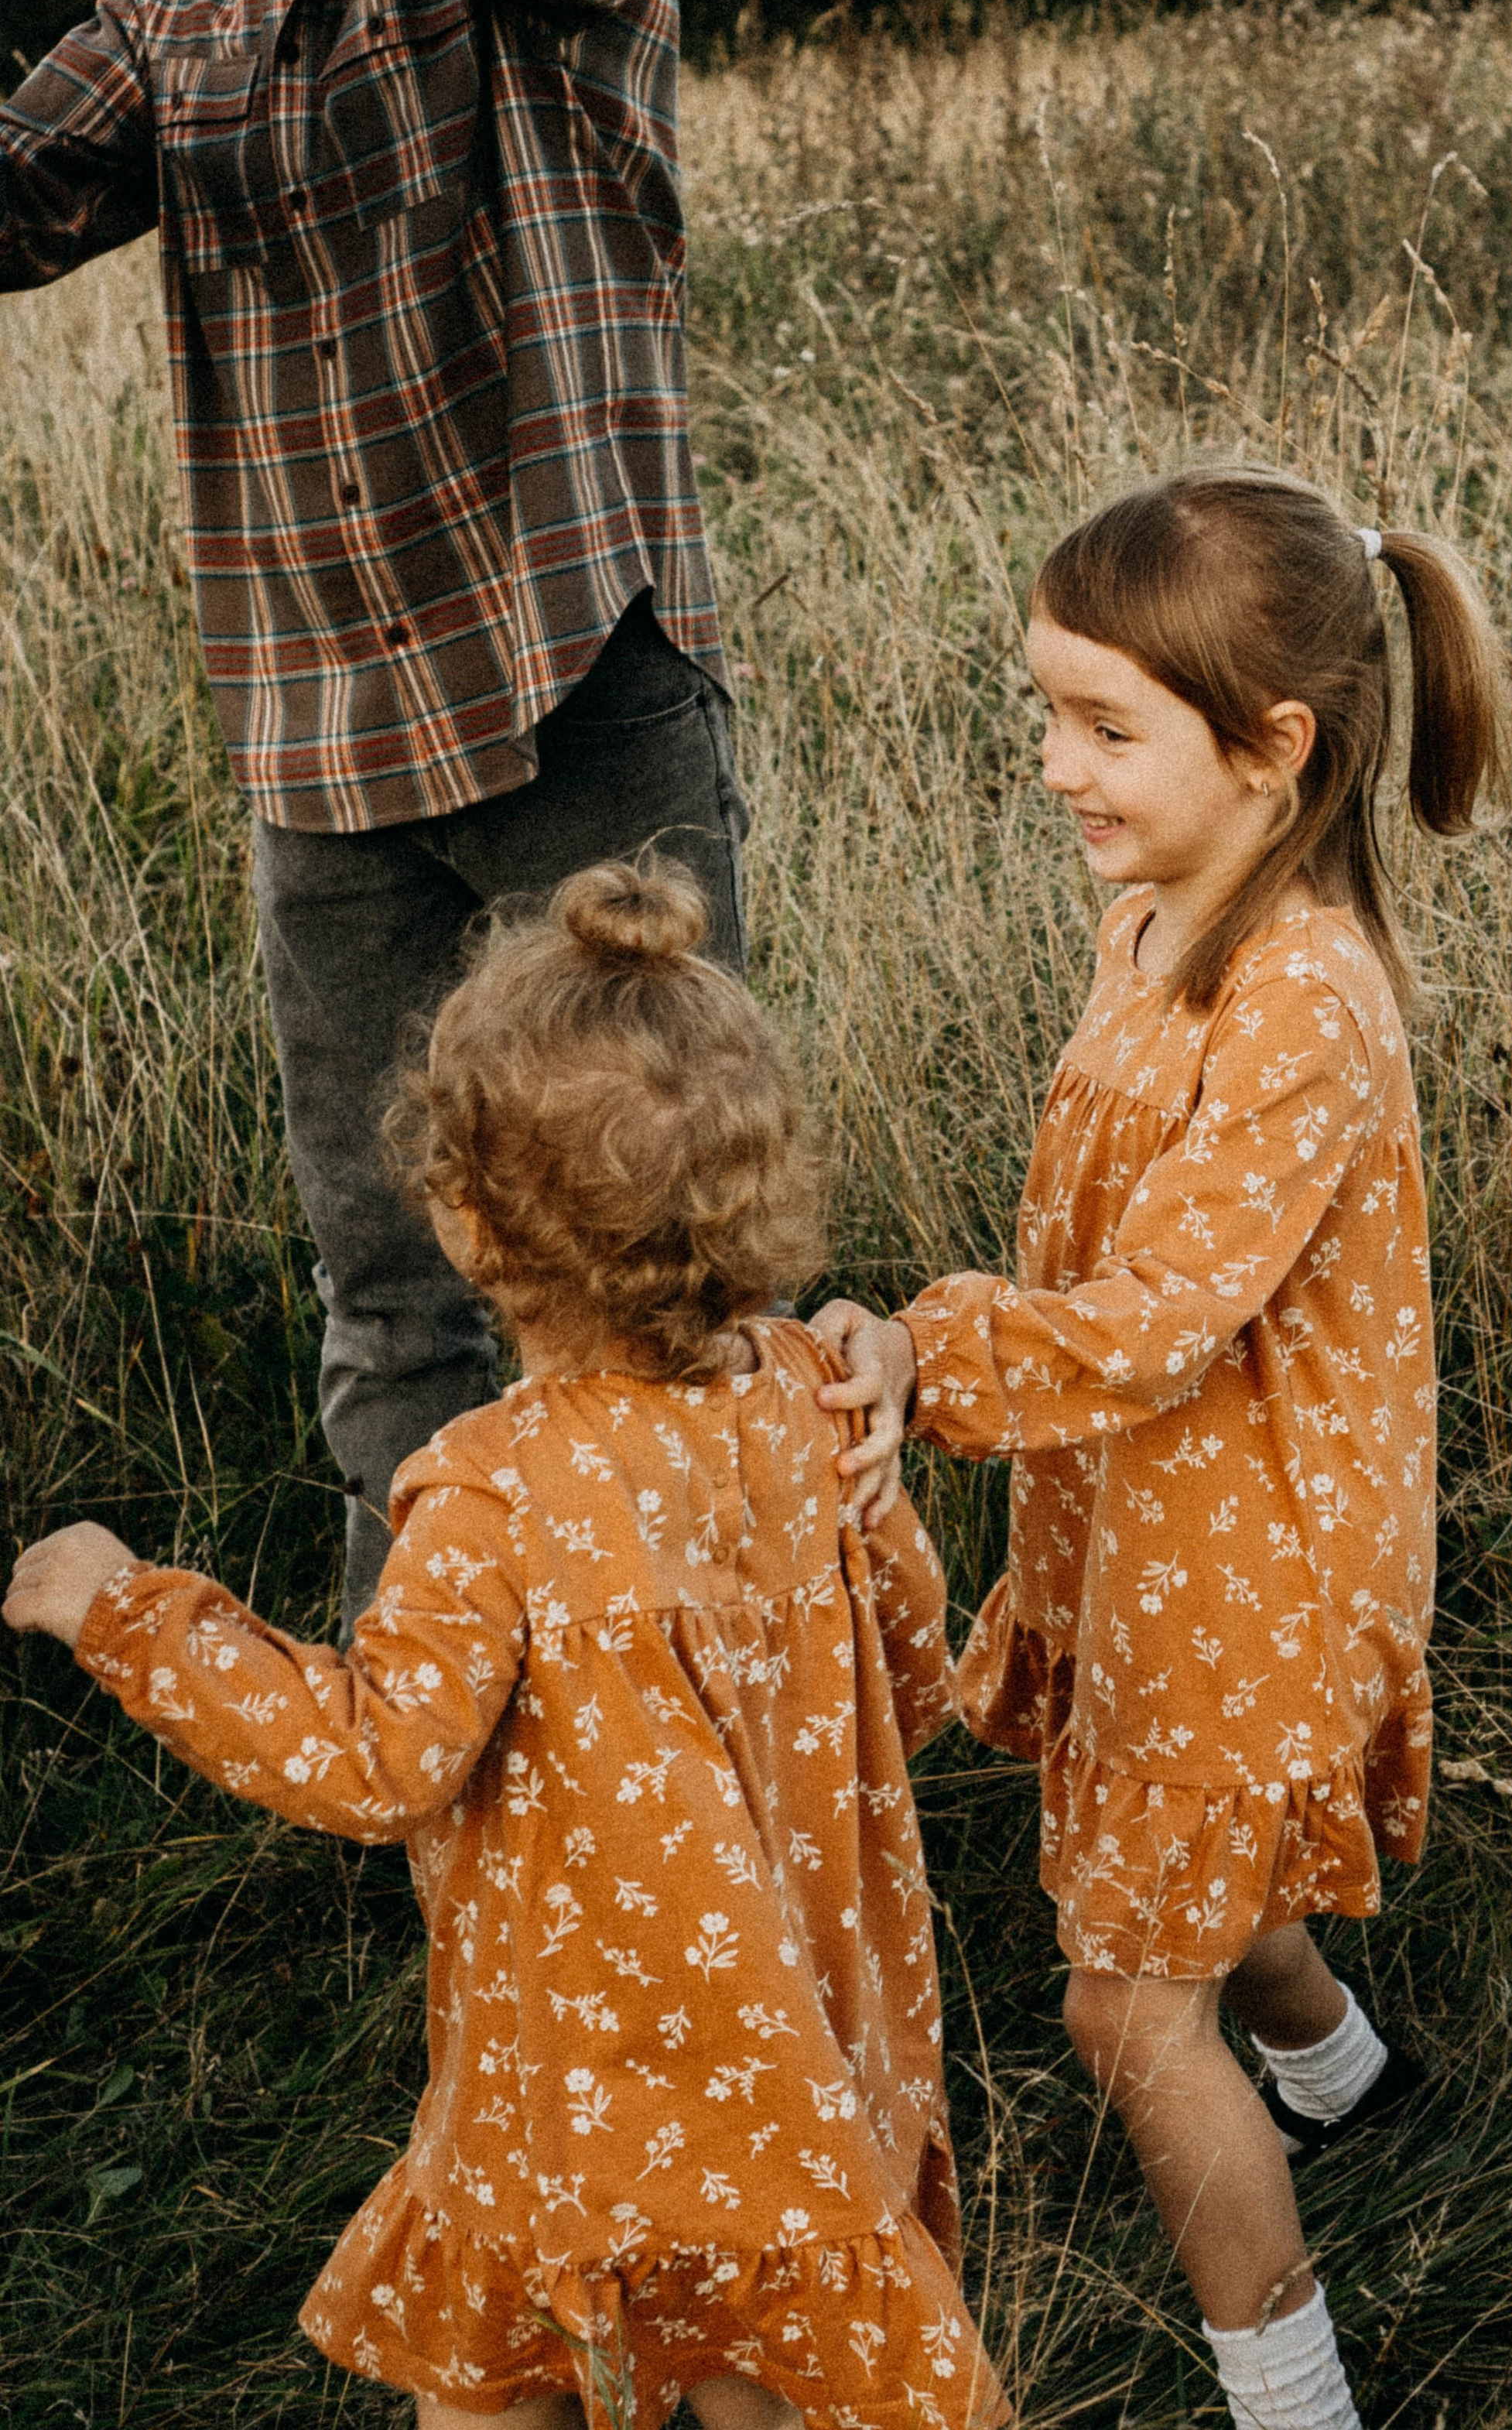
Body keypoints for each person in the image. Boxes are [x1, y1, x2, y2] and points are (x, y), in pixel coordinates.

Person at [0, 0, 743, 1631]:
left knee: (649, 1276)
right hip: (317, 730)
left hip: (573, 677)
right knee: (390, 1293)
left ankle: (712, 1746)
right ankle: (417, 1762)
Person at [5, 861, 1003, 2430]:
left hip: (574, 2093)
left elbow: (373, 1759)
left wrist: (131, 1611)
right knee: (774, 2361)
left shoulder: (490, 1491)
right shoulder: (816, 1405)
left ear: (466, 1223)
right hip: (796, 2071)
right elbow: (915, 1678)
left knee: (495, 2376)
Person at [815, 470, 1512, 2430]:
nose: (1054, 765)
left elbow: (1151, 1320)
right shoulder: (1153, 922)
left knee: (1123, 2004)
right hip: (1151, 1532)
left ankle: (1291, 2396)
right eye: (1048, 713)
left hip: (1262, 1569)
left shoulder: (1303, 1001)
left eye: (1105, 726)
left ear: (1272, 747)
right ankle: (1349, 2084)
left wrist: (924, 1350)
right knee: (1195, 1874)